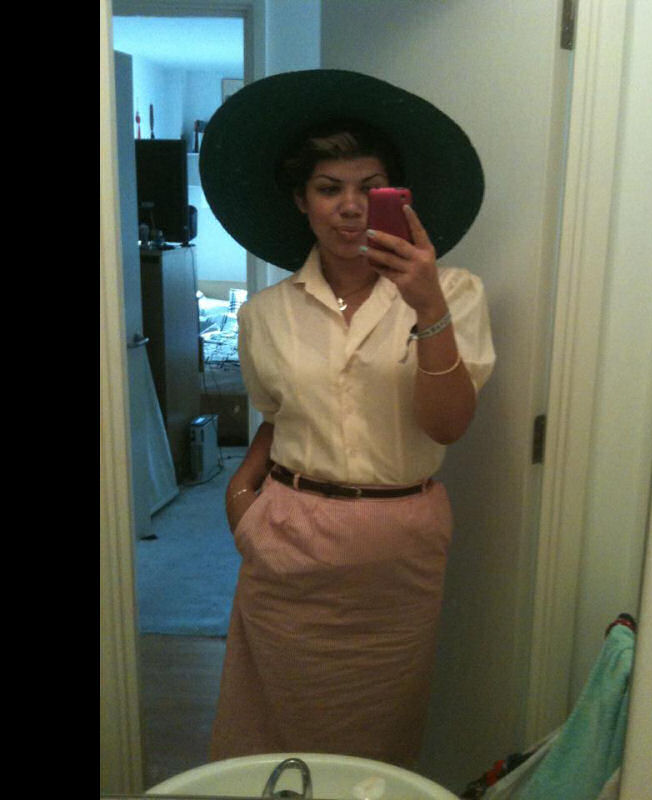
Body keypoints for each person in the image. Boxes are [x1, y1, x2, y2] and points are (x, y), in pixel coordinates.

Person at [199, 69, 496, 769]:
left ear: (398, 199)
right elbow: (277, 418)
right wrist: (242, 497)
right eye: (329, 188)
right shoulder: (264, 315)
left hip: (400, 550)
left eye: (371, 188)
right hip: (288, 539)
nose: (351, 207)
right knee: (272, 720)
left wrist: (428, 308)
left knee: (379, 738)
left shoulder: (455, 292)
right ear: (301, 202)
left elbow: (448, 425)